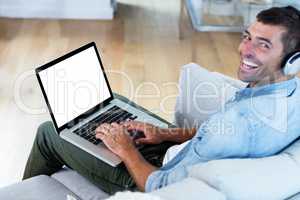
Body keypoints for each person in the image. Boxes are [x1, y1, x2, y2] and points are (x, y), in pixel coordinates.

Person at [23, 6, 300, 194]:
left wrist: (126, 149)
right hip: (182, 155)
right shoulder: (288, 95)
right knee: (109, 103)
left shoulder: (239, 124)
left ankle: (21, 195)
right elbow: (211, 137)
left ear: (293, 61)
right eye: (247, 37)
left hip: (153, 175)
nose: (245, 50)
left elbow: (158, 187)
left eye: (263, 45)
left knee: (49, 131)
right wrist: (165, 134)